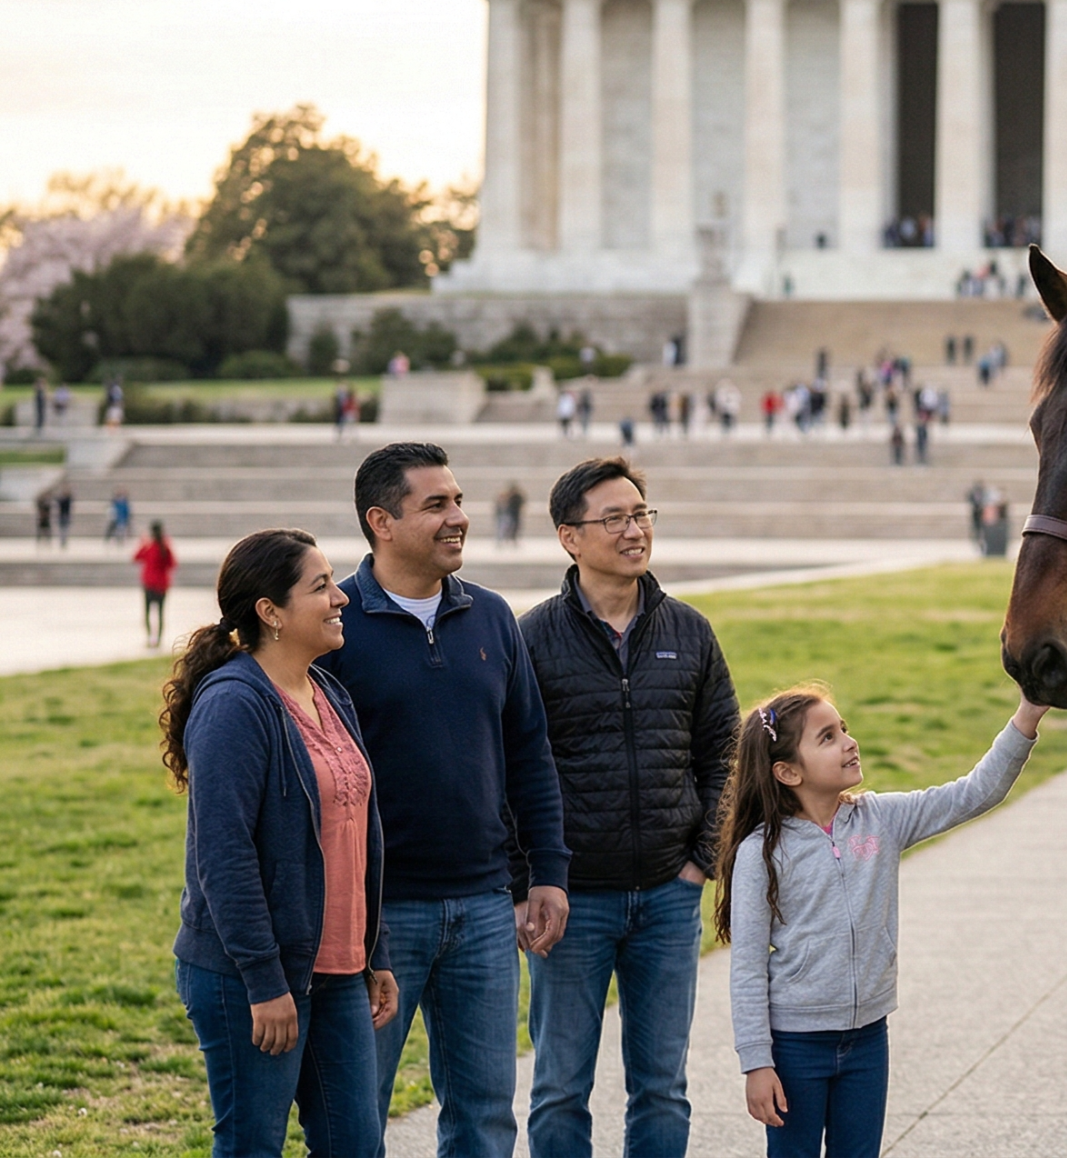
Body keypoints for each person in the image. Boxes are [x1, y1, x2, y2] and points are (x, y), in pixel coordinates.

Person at [316, 442, 570, 1157]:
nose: (459, 516)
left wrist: (545, 872)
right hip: (376, 917)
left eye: (458, 500)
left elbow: (530, 755)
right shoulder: (334, 626)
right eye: (437, 504)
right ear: (382, 521)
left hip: (486, 910)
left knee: (486, 1122)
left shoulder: (492, 618)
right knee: (353, 1121)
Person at [717, 687, 1047, 1158]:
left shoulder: (880, 820)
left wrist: (1028, 713)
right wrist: (756, 1063)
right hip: (795, 1047)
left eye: (844, 729)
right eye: (827, 737)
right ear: (788, 771)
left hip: (868, 1039)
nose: (849, 743)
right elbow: (747, 966)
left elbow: (974, 793)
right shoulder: (760, 853)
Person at [519, 458, 741, 1158]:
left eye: (641, 513)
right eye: (612, 518)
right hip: (570, 900)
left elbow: (727, 756)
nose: (633, 529)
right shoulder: (532, 640)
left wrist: (701, 861)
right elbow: (511, 772)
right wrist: (531, 878)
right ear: (569, 538)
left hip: (668, 901)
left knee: (662, 1085)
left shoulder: (690, 630)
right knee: (558, 1085)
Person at [165, 527, 398, 1157]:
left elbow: (354, 834)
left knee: (356, 1143)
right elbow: (224, 855)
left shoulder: (328, 693)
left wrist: (372, 952)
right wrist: (265, 983)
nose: (340, 598)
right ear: (270, 612)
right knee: (251, 1145)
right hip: (253, 976)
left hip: (338, 970)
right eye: (320, 587)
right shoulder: (236, 705)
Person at [136, 520, 178, 649]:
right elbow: (173, 564)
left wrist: (142, 542)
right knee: (160, 613)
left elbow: (136, 557)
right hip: (162, 585)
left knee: (148, 613)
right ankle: (158, 640)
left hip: (149, 584)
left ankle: (150, 639)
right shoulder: (165, 547)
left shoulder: (149, 547)